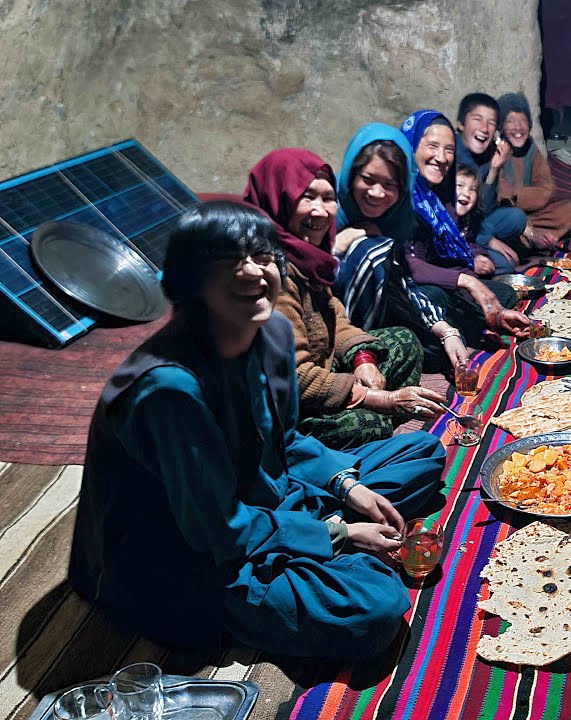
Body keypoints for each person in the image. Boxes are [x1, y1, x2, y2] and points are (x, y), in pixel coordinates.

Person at [69, 201, 448, 660]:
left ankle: (318, 544)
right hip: (192, 557)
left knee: (423, 452)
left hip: (268, 498)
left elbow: (285, 441)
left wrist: (347, 488)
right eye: (228, 261)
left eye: (262, 256)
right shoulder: (170, 388)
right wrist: (339, 534)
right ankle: (306, 567)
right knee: (378, 607)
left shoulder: (268, 335)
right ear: (190, 281)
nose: (252, 271)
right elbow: (217, 532)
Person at [243, 148, 447, 450]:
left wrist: (362, 360)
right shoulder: (268, 271)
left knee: (405, 341)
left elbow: (334, 316)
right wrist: (379, 399)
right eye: (307, 197)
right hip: (286, 405)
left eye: (327, 198)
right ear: (278, 197)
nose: (321, 211)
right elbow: (294, 377)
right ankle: (333, 448)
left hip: (325, 369)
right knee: (370, 423)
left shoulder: (307, 255)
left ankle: (374, 417)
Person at [391, 109, 531, 361]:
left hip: (436, 282)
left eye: (449, 149)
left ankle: (472, 324)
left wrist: (484, 297)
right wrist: (468, 282)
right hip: (403, 291)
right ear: (410, 147)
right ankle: (458, 329)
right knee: (440, 305)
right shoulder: (398, 195)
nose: (441, 157)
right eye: (432, 146)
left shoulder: (436, 197)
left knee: (503, 295)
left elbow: (456, 246)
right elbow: (411, 268)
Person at [331, 124, 471, 374]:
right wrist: (340, 243)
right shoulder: (326, 210)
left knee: (436, 347)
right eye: (368, 179)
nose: (377, 193)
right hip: (333, 330)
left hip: (379, 309)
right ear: (351, 176)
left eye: (390, 185)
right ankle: (357, 360)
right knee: (370, 250)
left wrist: (447, 331)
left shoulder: (395, 218)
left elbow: (402, 281)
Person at [453, 92, 543, 274]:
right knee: (506, 264)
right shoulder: (451, 155)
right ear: (461, 124)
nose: (485, 128)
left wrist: (494, 169)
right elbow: (459, 215)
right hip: (455, 228)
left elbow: (485, 208)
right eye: (478, 119)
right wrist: (488, 240)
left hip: (477, 222)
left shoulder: (490, 154)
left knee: (517, 217)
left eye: (491, 122)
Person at [495, 92, 571, 243]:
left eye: (523, 121)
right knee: (506, 219)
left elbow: (546, 190)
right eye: (510, 121)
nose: (518, 127)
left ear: (529, 125)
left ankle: (530, 237)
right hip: (505, 214)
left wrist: (516, 195)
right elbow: (499, 194)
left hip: (533, 213)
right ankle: (530, 237)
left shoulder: (532, 150)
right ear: (501, 128)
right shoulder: (497, 152)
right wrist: (514, 200)